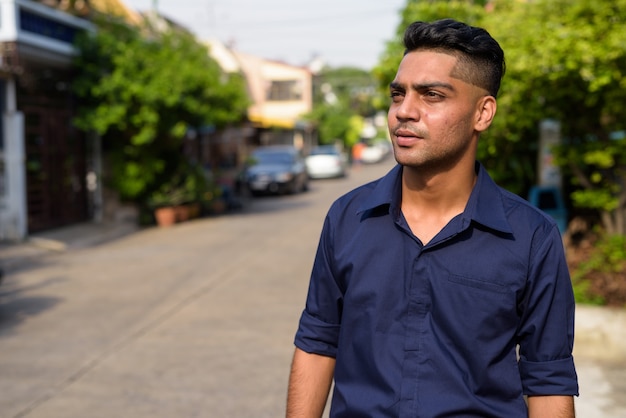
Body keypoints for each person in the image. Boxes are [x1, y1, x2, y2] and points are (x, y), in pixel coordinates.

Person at [287, 18, 578, 418]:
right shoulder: (347, 218)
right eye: (397, 94)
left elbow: (548, 380)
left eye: (432, 96)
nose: (404, 112)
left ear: (483, 113)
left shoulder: (530, 237)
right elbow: (318, 342)